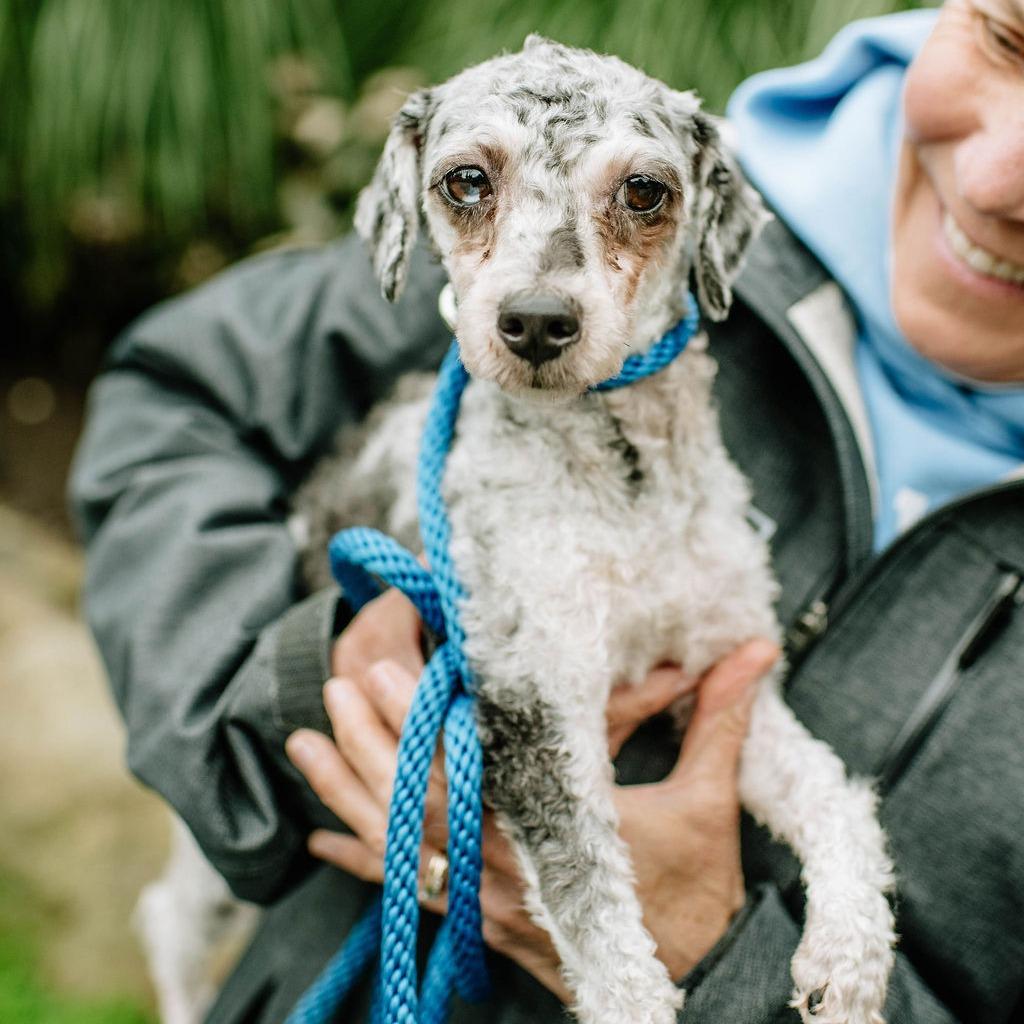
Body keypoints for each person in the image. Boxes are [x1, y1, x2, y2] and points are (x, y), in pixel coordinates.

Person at [70, 2, 1023, 1020]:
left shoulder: (691, 199)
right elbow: (175, 396)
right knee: (192, 915)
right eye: (1010, 39)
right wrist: (290, 692)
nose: (993, 177)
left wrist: (723, 961)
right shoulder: (600, 161)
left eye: (639, 200)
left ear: (697, 220)